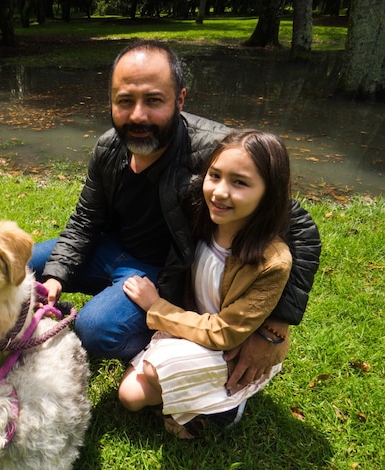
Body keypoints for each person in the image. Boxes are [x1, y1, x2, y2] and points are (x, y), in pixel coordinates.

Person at [29, 39, 321, 397]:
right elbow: (86, 219)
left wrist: (274, 325)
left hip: (163, 272)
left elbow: (302, 229)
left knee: (95, 331)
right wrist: (58, 275)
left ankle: (166, 342)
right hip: (109, 250)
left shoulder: (215, 152)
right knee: (24, 264)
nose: (138, 115)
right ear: (112, 102)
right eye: (125, 101)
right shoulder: (108, 146)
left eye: (154, 100)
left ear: (179, 100)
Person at [118, 129, 293, 438]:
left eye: (239, 182)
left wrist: (155, 305)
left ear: (269, 193)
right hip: (193, 329)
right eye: (215, 175)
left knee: (148, 375)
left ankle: (227, 407)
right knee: (130, 397)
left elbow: (223, 333)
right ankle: (198, 395)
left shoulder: (271, 262)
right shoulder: (201, 218)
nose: (220, 192)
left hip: (230, 349)